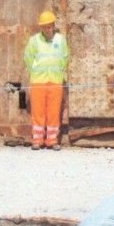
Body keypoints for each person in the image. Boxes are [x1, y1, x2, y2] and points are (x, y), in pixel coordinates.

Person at [23, 10, 69, 150]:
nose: (47, 29)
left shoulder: (60, 40)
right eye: (44, 26)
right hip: (38, 81)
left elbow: (65, 57)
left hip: (55, 81)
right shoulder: (34, 41)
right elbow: (28, 58)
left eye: (49, 26)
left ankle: (52, 140)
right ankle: (37, 140)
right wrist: (35, 73)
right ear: (40, 27)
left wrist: (59, 71)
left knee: (54, 112)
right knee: (38, 111)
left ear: (54, 25)